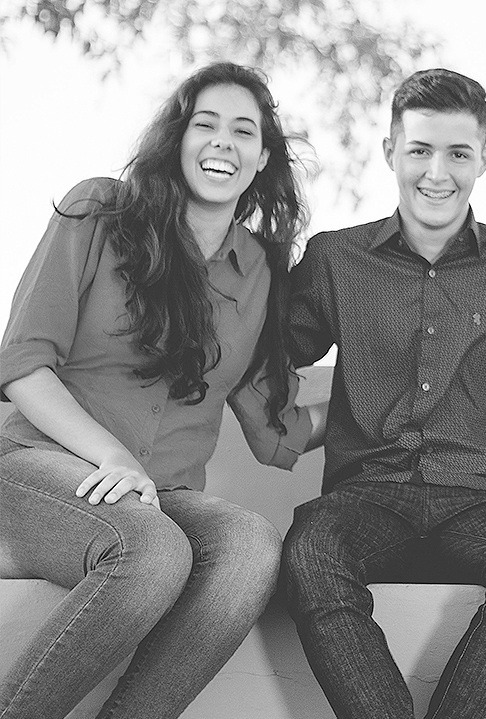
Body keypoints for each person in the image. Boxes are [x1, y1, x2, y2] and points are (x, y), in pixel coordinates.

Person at [0, 63, 322, 719]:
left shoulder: (261, 270)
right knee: (152, 550)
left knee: (251, 546)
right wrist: (111, 455)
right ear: (178, 139)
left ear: (262, 157)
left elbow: (274, 426)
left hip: (162, 495)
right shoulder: (99, 211)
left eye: (242, 131)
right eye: (205, 124)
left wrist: (390, 407)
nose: (222, 142)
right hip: (39, 466)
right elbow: (24, 363)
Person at [279, 68, 486, 719]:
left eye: (457, 153)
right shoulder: (336, 259)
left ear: (485, 159)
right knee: (309, 546)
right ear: (391, 151)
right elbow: (269, 349)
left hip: (485, 500)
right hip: (366, 494)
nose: (436, 171)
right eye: (419, 150)